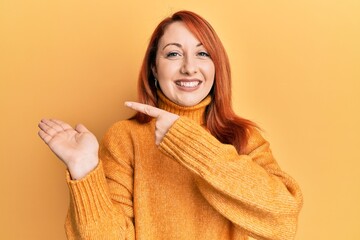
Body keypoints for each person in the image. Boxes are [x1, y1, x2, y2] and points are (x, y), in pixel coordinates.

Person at [38, 10, 303, 240]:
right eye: (174, 53)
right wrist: (84, 170)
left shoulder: (241, 137)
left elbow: (283, 220)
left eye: (202, 53)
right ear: (154, 68)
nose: (189, 67)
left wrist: (188, 142)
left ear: (216, 66)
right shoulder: (124, 138)